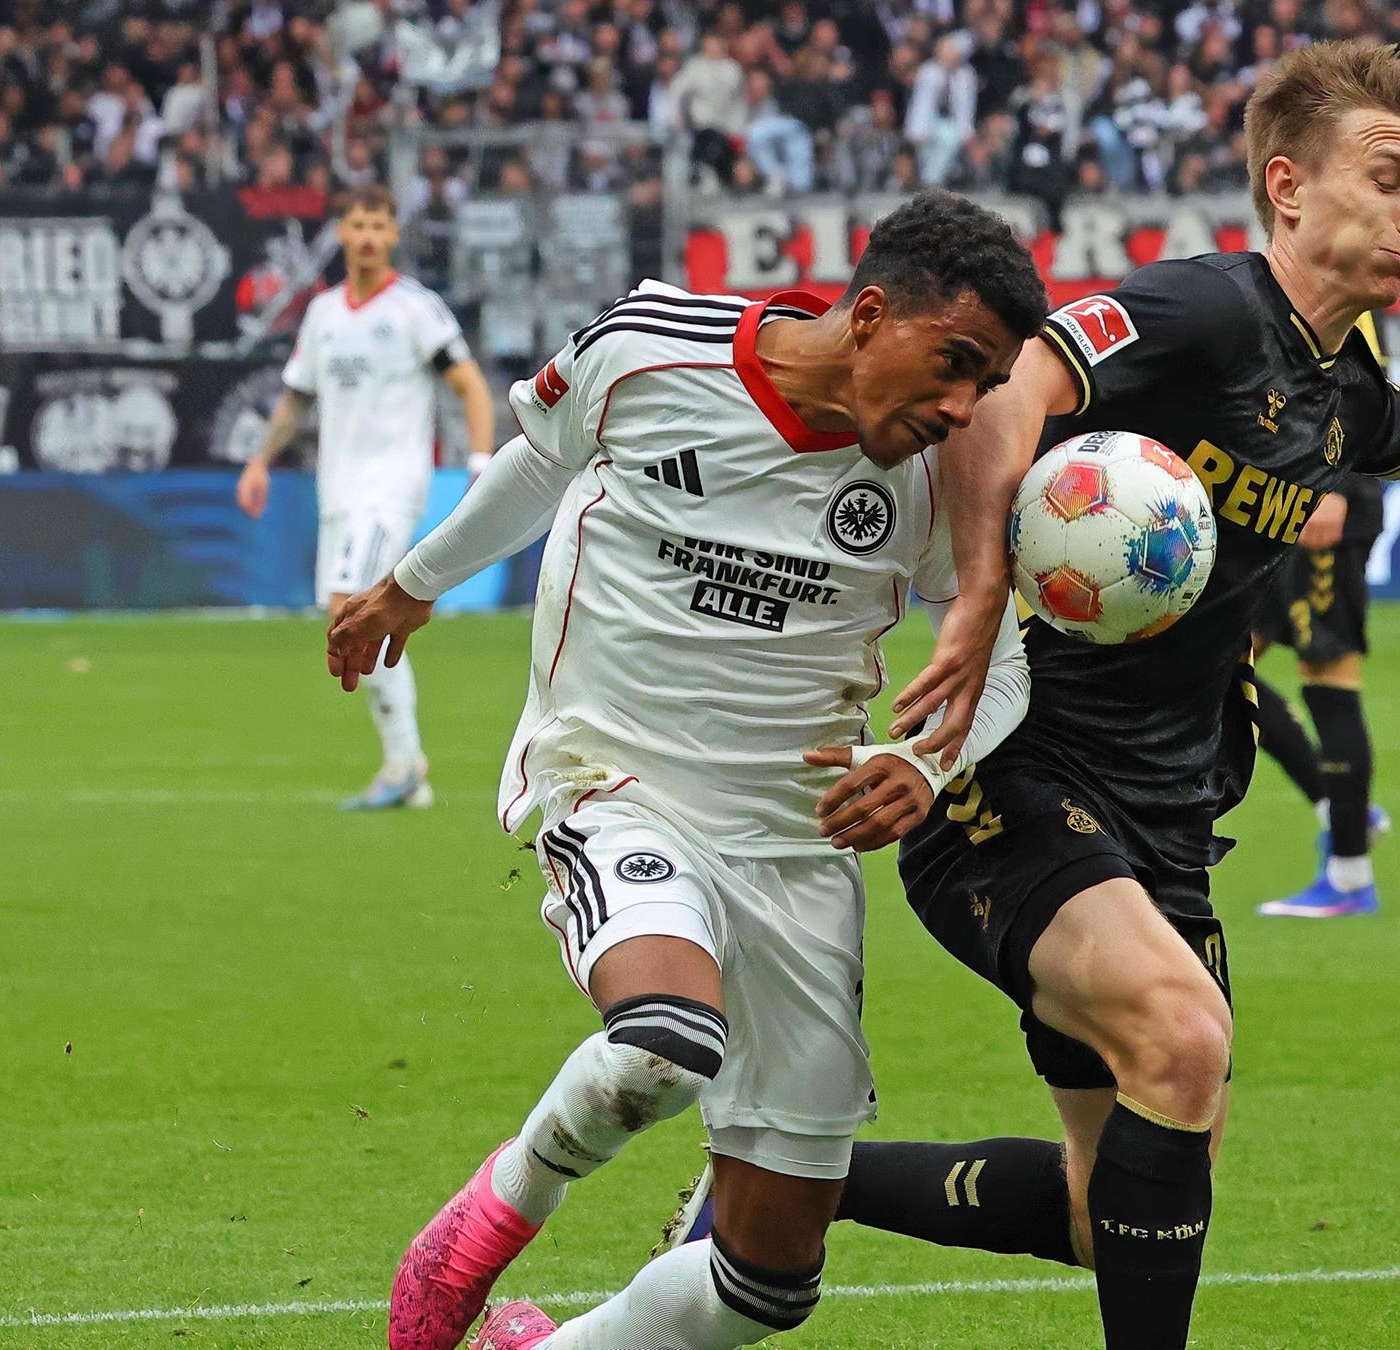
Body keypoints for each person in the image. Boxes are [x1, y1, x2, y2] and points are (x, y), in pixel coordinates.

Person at [680, 41, 1400, 1350]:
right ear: (1287, 187)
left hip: (1171, 812)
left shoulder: (1339, 392)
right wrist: (971, 594)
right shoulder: (1202, 310)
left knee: (1101, 1203)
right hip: (1013, 762)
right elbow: (1021, 381)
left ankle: (774, 1189)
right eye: (1389, 176)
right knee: (1182, 1037)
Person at [336, 192, 1048, 1350]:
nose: (966, 405)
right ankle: (483, 1223)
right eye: (955, 363)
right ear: (869, 315)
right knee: (665, 1038)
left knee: (767, 1282)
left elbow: (999, 665)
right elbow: (537, 461)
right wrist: (414, 586)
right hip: (617, 777)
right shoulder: (650, 347)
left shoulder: (940, 475)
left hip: (796, 847)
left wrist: (923, 762)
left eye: (987, 382)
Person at [235, 184, 495, 812]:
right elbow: (298, 395)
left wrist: (481, 462)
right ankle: (408, 770)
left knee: (353, 611)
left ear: (394, 235)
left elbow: (470, 385)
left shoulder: (416, 310)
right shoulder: (323, 312)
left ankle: (405, 764)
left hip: (389, 484)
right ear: (343, 233)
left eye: (380, 224)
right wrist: (261, 459)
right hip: (339, 487)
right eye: (358, 224)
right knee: (348, 616)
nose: (370, 235)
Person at [1245, 324, 1395, 920]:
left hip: (1321, 499)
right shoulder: (1279, 280)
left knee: (1328, 678)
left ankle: (1351, 875)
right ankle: (1343, 811)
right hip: (1279, 499)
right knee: (1223, 662)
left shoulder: (1335, 278)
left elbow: (1361, 391)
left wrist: (1339, 487)